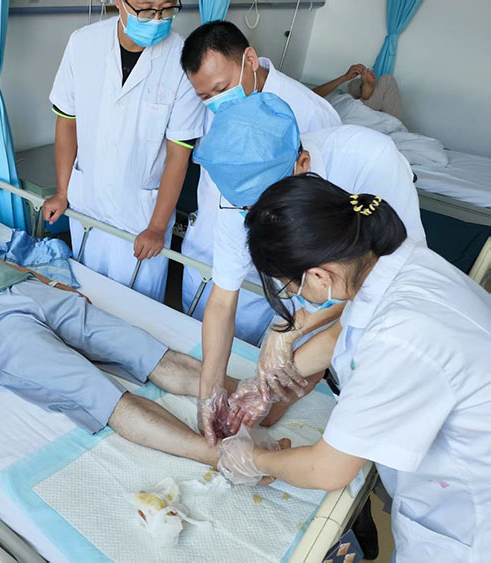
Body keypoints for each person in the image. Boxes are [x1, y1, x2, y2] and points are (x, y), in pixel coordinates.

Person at [0, 175, 238, 467]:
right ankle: (218, 454)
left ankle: (251, 398)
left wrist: (52, 283)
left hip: (35, 292)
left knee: (143, 348)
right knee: (93, 388)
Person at [217, 174, 491, 562]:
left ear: (318, 275)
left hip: (471, 519)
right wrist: (264, 384)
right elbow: (341, 335)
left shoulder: (400, 335)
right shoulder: (392, 261)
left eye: (290, 287)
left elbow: (327, 470)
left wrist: (252, 458)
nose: (294, 295)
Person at [194, 93, 426, 446]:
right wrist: (209, 391)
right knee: (270, 409)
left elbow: (383, 281)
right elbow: (223, 299)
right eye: (246, 209)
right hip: (328, 296)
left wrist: (289, 330)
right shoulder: (240, 193)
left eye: (263, 208)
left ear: (302, 164)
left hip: (382, 302)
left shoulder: (369, 160)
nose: (252, 216)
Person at [177, 21, 341, 343]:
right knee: (193, 338)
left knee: (247, 350)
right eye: (205, 96)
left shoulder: (309, 112)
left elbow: (322, 206)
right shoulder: (215, 104)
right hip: (206, 243)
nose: (216, 101)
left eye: (222, 89)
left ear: (250, 60)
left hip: (265, 261)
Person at [42, 0, 204, 303]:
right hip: (88, 201)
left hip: (141, 215)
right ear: (119, 2)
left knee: (138, 308)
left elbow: (178, 153)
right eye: (146, 9)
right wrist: (62, 191)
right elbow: (67, 121)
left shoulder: (183, 59)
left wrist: (157, 226)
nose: (157, 19)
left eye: (167, 9)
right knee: (86, 296)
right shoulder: (83, 44)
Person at [313, 63, 403, 119]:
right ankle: (366, 94)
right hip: (350, 112)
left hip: (345, 105)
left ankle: (366, 91)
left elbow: (311, 93)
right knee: (387, 80)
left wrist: (345, 77)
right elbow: (312, 94)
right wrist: (344, 78)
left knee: (353, 84)